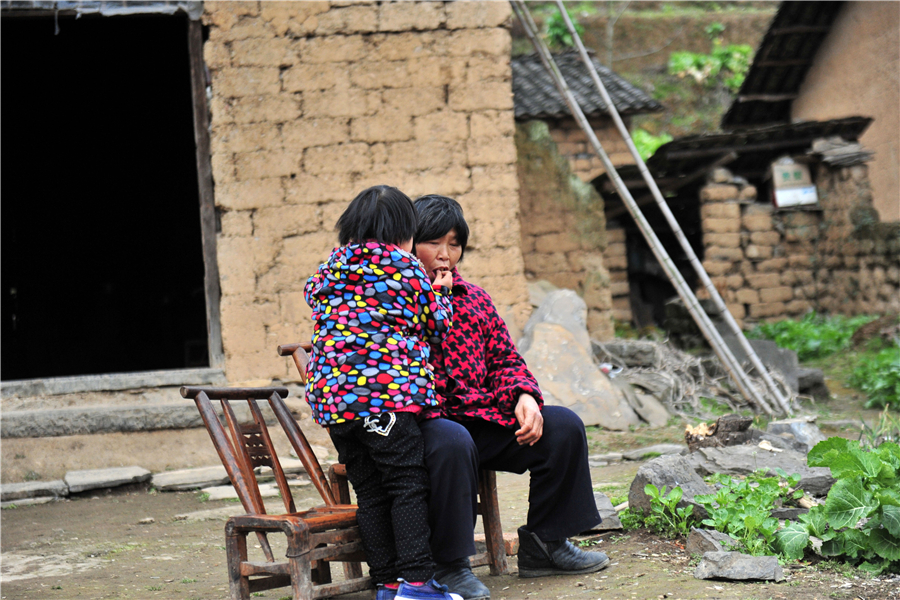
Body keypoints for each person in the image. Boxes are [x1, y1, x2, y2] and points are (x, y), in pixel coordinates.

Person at [412, 195, 609, 600]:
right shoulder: (397, 301)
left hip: (482, 420)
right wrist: (433, 302)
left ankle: (544, 544)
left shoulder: (475, 300)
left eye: (454, 243)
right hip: (429, 426)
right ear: (408, 244)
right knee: (452, 439)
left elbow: (504, 358)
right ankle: (448, 566)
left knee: (562, 427)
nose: (445, 255)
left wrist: (524, 396)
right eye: (433, 243)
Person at [304, 185, 461, 600]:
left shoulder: (327, 271)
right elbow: (436, 324)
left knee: (370, 491)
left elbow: (316, 302)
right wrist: (441, 293)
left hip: (336, 405)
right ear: (403, 232)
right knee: (406, 484)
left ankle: (388, 584)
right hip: (385, 400)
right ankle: (418, 584)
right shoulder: (404, 267)